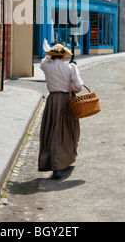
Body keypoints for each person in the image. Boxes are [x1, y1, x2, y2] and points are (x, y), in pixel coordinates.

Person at [38, 44, 84, 180]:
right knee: (67, 130)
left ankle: (54, 161)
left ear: (52, 56)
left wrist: (49, 55)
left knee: (52, 130)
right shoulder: (70, 67)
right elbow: (78, 87)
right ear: (64, 56)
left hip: (52, 100)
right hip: (66, 101)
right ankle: (60, 163)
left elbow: (43, 61)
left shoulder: (46, 66)